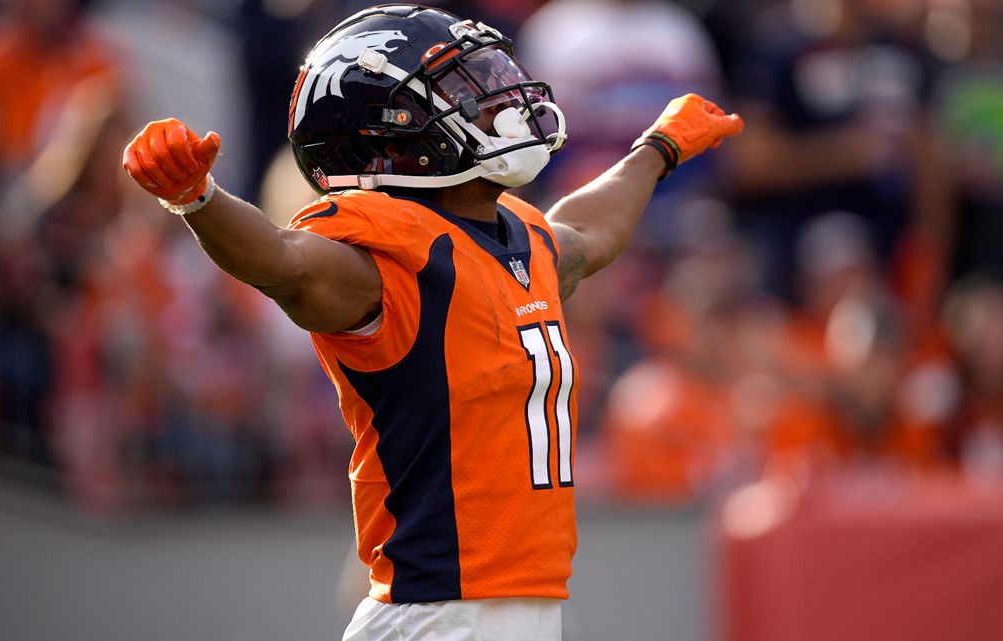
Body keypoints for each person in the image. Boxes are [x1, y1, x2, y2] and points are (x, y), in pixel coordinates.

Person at [121, 4, 742, 639]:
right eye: (460, 90)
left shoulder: (516, 235)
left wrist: (658, 149)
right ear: (389, 135)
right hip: (440, 614)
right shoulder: (387, 258)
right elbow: (284, 263)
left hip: (514, 606)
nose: (495, 101)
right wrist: (198, 198)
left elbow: (586, 232)